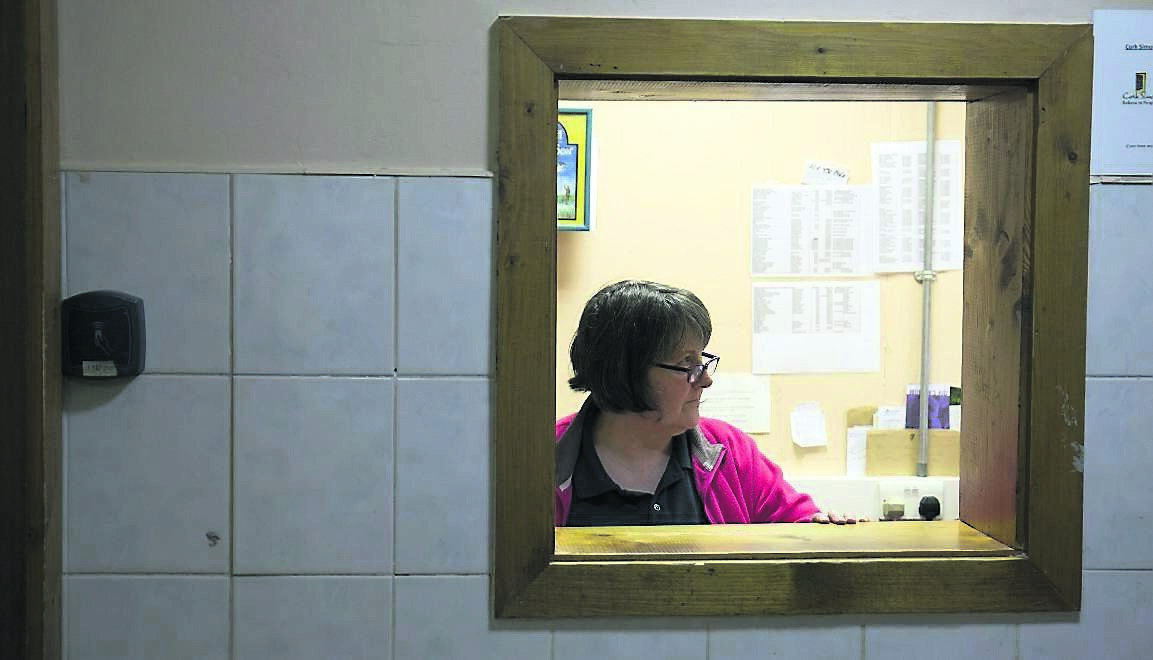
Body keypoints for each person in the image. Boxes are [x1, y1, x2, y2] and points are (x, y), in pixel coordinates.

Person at [555, 279, 862, 526]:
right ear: (626, 371)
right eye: (686, 363)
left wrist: (819, 527)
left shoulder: (730, 451)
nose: (705, 379)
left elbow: (796, 523)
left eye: (702, 360)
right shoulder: (545, 460)